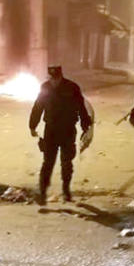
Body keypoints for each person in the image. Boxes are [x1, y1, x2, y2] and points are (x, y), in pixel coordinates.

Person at [29, 66, 92, 205]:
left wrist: (85, 126)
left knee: (66, 162)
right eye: (51, 79)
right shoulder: (45, 87)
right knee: (48, 162)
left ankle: (66, 190)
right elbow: (38, 107)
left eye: (56, 79)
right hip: (51, 130)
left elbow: (81, 107)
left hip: (68, 130)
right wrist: (32, 125)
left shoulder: (72, 87)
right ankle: (43, 192)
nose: (53, 82)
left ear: (60, 76)